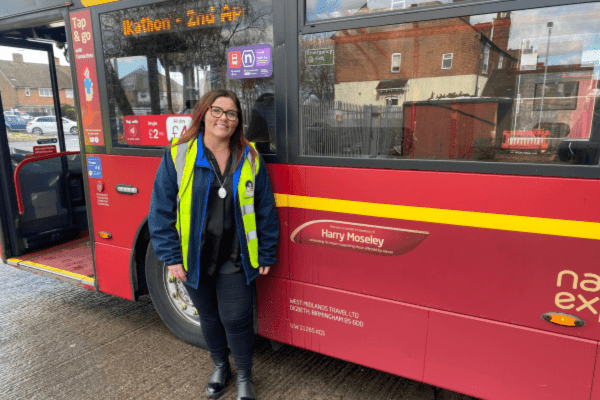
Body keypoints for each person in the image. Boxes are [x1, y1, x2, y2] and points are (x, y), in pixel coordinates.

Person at [148, 89, 279, 400]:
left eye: (232, 114)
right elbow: (160, 210)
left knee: (236, 318)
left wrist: (267, 250)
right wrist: (170, 256)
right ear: (204, 114)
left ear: (238, 121)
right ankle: (221, 366)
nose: (224, 118)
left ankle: (245, 375)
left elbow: (265, 209)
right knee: (208, 316)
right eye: (218, 111)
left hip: (235, 256)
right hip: (196, 256)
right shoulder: (178, 154)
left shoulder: (250, 157)